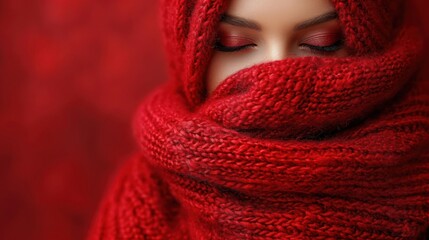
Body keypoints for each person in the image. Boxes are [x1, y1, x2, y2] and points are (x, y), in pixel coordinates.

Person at [88, 0, 429, 239]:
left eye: (322, 42)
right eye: (234, 43)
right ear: (188, 54)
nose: (275, 73)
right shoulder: (143, 206)